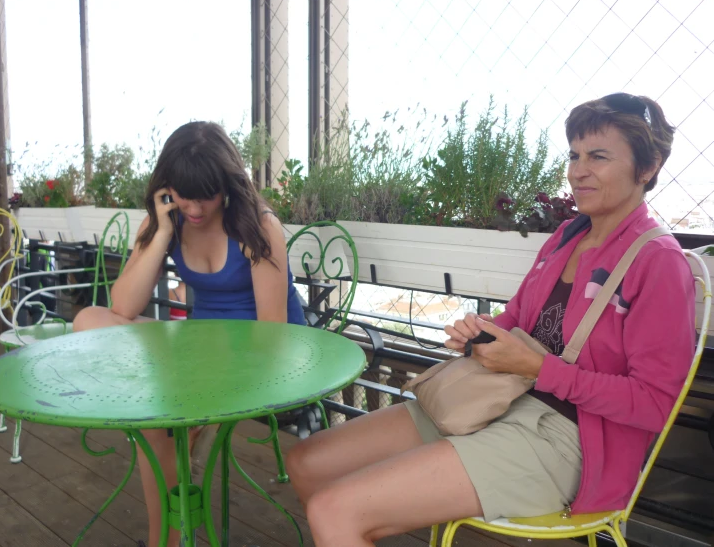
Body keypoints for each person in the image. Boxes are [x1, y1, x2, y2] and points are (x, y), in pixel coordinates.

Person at [285, 93, 696, 547]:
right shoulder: (568, 235)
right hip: (499, 397)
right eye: (575, 155)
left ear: (648, 165)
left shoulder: (657, 262)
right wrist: (480, 333)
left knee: (335, 511)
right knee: (309, 463)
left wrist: (540, 370)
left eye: (598, 157)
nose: (578, 171)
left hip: (570, 439)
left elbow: (655, 403)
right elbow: (517, 318)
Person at [73, 121, 306, 547]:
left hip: (258, 351)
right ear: (168, 186)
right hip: (200, 345)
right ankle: (170, 534)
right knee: (89, 320)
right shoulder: (170, 220)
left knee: (155, 420)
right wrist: (161, 233)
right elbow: (122, 308)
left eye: (206, 195)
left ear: (227, 185)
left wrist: (198, 372)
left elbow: (274, 335)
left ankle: (168, 538)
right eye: (184, 194)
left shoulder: (258, 225)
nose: (195, 208)